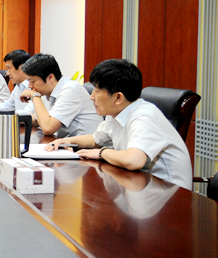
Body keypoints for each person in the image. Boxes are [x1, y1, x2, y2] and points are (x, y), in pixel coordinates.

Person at [47, 59, 193, 190]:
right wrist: (66, 141)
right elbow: (95, 140)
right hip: (139, 184)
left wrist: (101, 153)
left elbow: (133, 160)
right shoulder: (118, 111)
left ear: (118, 98)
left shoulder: (144, 116)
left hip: (169, 193)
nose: (91, 97)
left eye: (97, 91)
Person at [19, 53, 101, 137]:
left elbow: (48, 128)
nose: (30, 86)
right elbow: (38, 119)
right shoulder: (47, 91)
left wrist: (35, 96)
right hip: (67, 142)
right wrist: (15, 119)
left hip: (85, 143)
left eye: (32, 81)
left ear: (50, 78)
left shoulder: (70, 90)